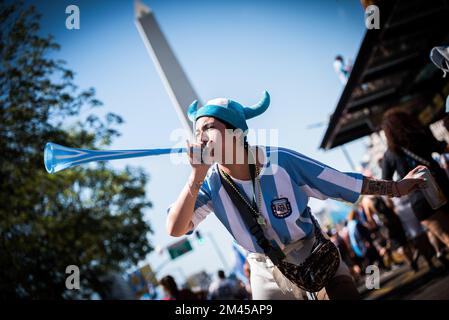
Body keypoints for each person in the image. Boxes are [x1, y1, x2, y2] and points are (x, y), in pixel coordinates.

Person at [166, 91, 425, 300]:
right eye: (196, 131)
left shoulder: (281, 161)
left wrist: (396, 187)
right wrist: (195, 177)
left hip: (314, 252)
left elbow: (341, 182)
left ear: (236, 132)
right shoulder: (208, 183)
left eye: (208, 127)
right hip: (264, 271)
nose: (199, 138)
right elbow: (176, 228)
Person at [381, 109, 449, 266]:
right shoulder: (421, 135)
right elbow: (441, 147)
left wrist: (401, 189)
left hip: (419, 200)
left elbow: (386, 183)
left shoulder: (390, 154)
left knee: (446, 236)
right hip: (442, 187)